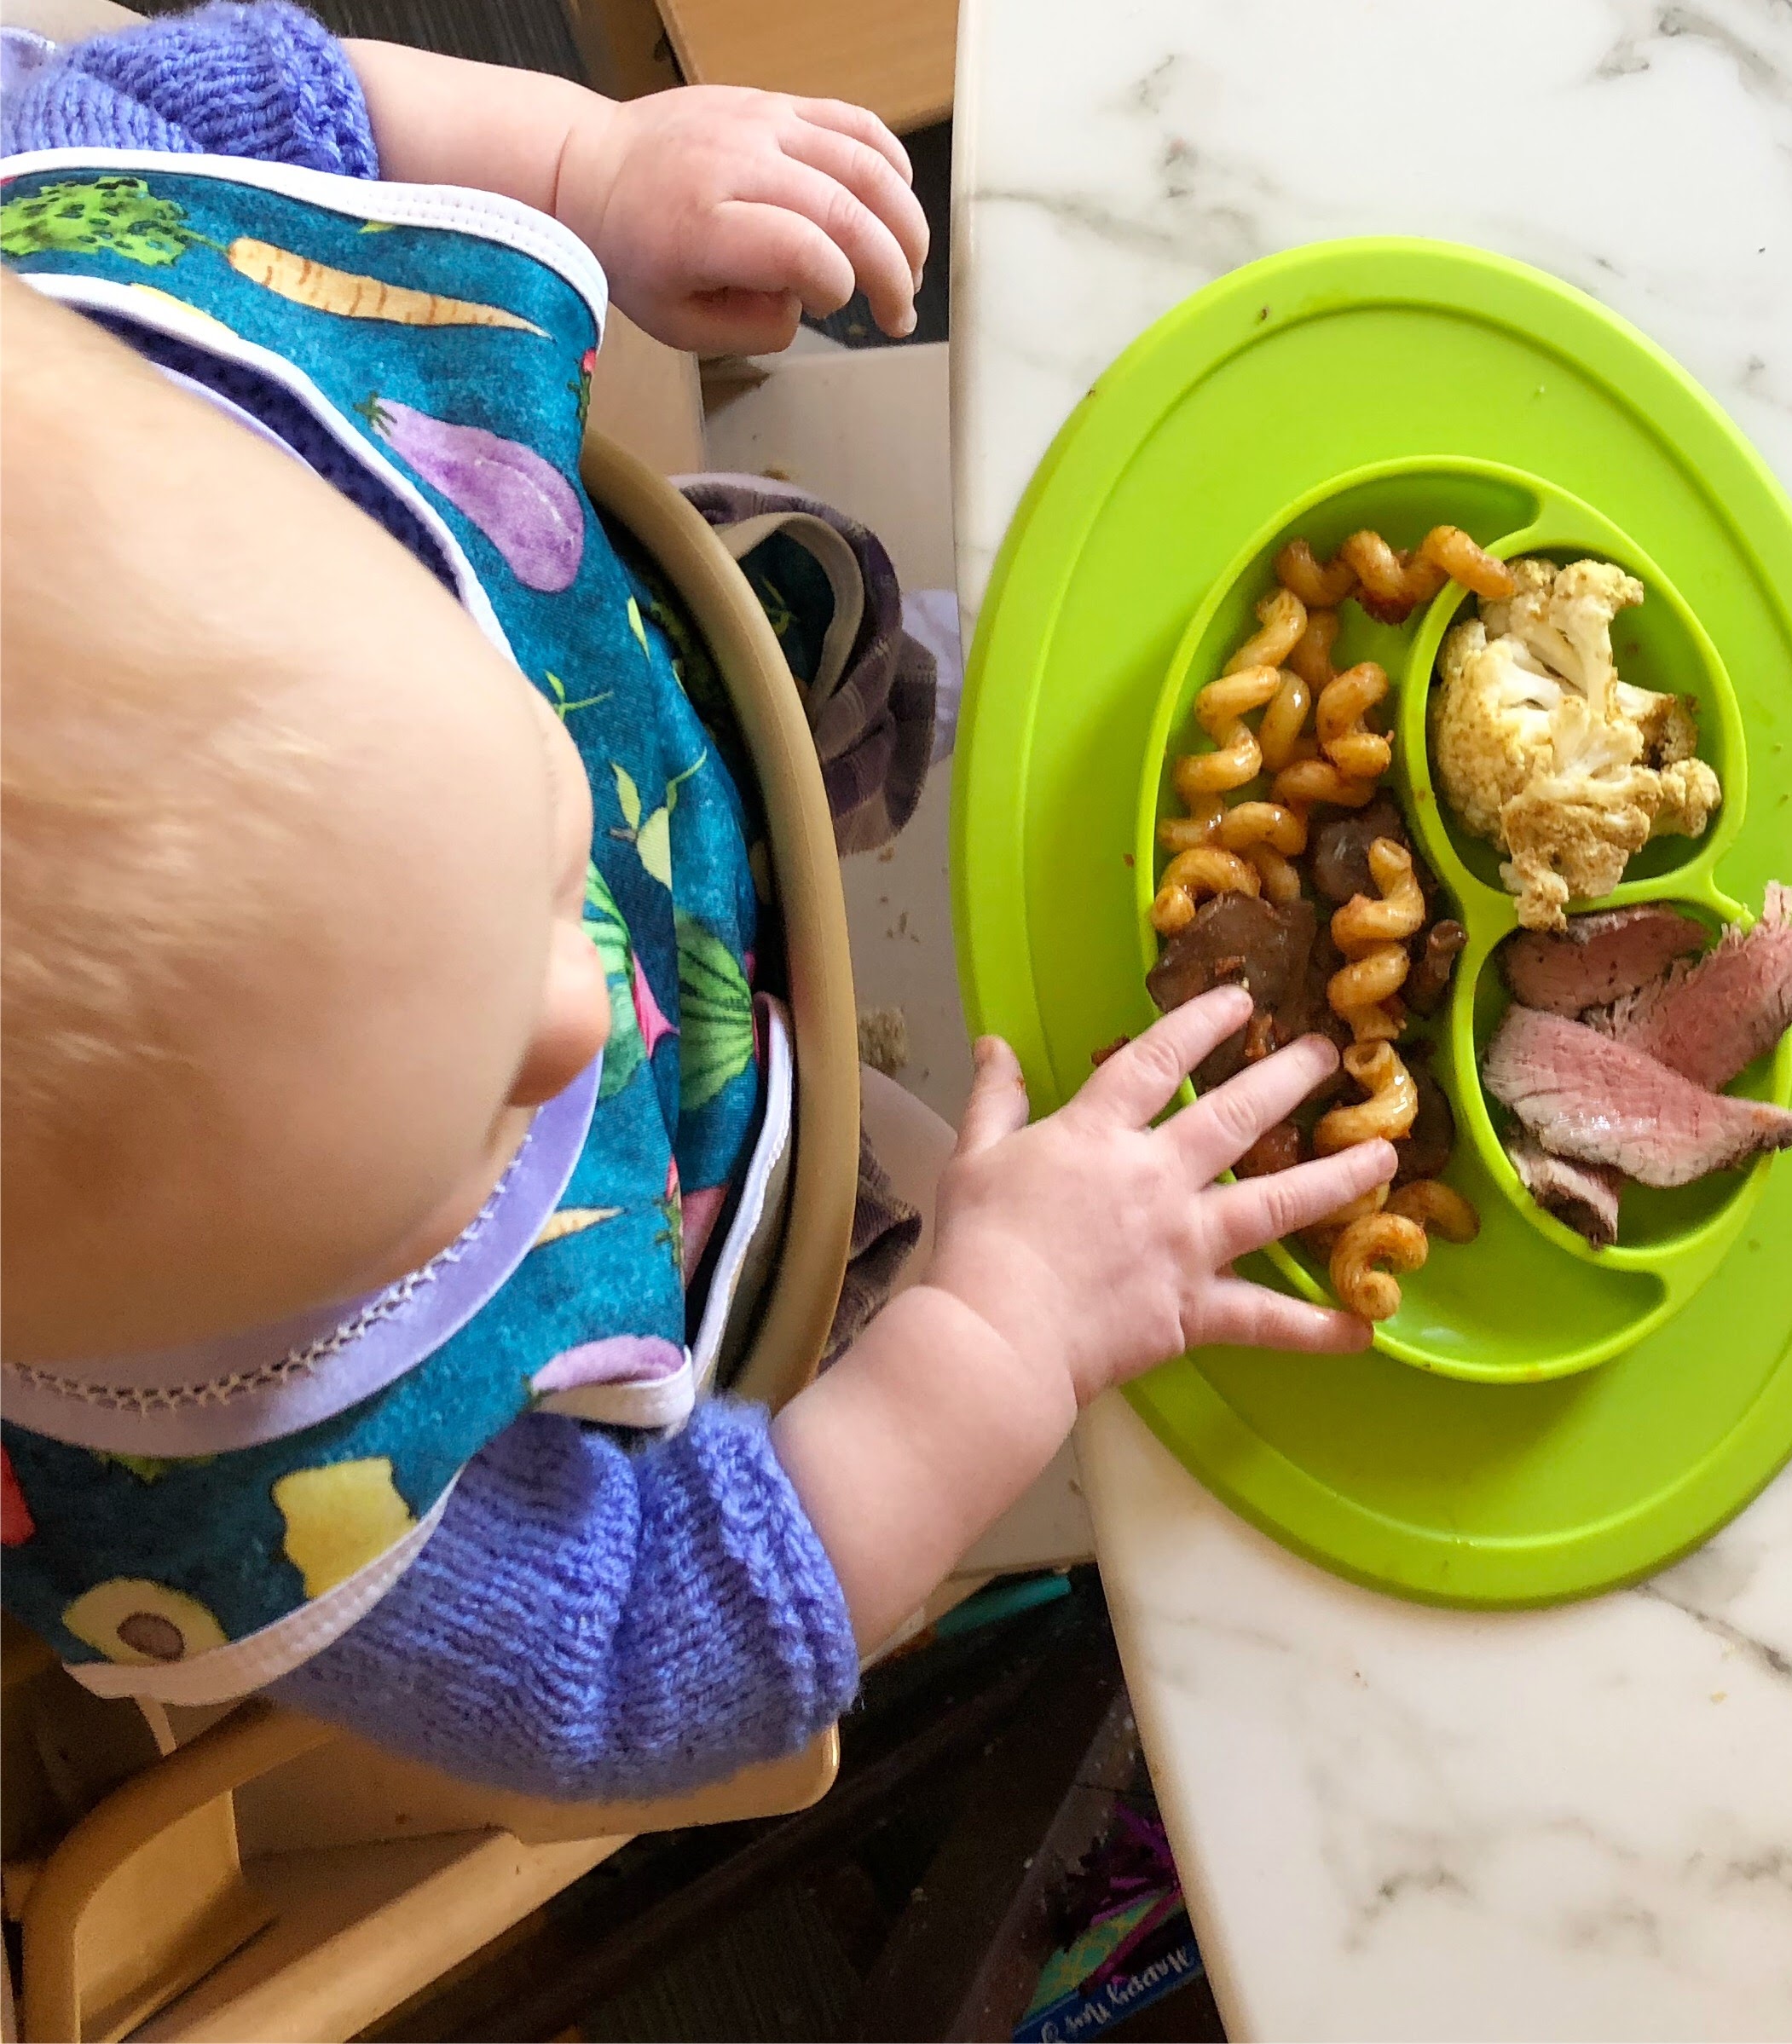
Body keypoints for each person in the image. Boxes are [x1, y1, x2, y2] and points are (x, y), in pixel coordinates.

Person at [0, 3, 1395, 1799]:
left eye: (517, 859)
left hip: (606, 632)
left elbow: (282, 99)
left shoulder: (80, 248)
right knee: (892, 1223)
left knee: (842, 640)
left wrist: (592, 166)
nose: (585, 1008)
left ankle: (861, 705)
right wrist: (999, 1331)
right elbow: (652, 1651)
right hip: (723, 1175)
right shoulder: (221, 1501)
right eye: (451, 1129)